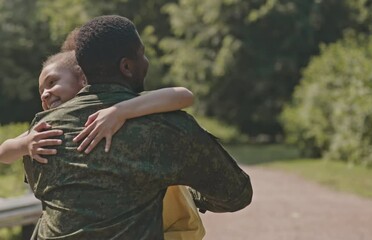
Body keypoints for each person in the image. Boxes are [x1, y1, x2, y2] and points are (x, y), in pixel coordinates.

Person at [23, 15, 252, 239]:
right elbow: (235, 195)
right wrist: (189, 193)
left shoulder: (43, 131)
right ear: (126, 66)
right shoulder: (165, 125)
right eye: (142, 54)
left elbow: (45, 190)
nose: (147, 61)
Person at [0, 51, 206, 239]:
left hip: (170, 225)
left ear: (83, 79)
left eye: (52, 82)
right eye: (41, 91)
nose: (45, 93)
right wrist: (25, 143)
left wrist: (121, 111)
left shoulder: (117, 106)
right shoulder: (50, 127)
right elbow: (3, 153)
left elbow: (183, 96)